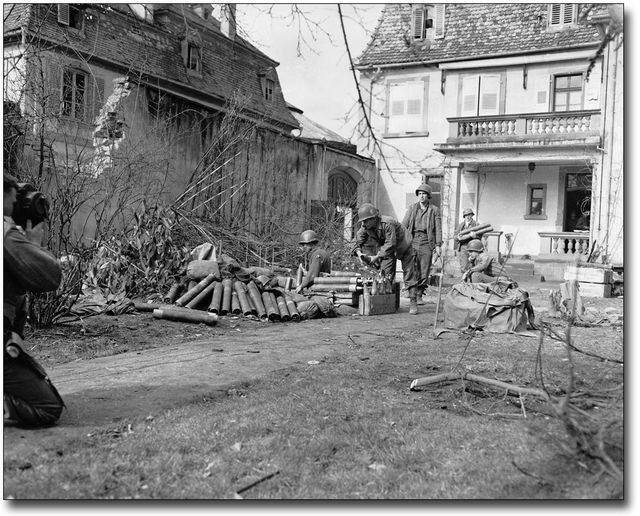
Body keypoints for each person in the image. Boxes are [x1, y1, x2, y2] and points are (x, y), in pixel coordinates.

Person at [4, 172, 64, 427]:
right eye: (13, 199)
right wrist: (33, 245)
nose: (15, 206)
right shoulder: (6, 234)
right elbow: (50, 276)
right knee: (47, 406)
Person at [353, 203, 422, 315]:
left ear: (374, 218)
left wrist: (376, 257)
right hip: (387, 249)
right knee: (385, 274)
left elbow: (391, 243)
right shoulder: (365, 226)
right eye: (363, 221)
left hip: (404, 246)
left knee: (409, 273)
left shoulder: (387, 223)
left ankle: (413, 301)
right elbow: (357, 240)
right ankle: (390, 303)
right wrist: (359, 254)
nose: (363, 223)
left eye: (366, 221)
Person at [402, 183, 442, 304]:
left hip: (426, 241)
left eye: (424, 194)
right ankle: (412, 293)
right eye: (419, 194)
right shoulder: (412, 208)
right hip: (413, 241)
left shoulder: (434, 210)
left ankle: (419, 294)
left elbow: (438, 228)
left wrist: (438, 244)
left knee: (424, 269)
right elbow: (404, 225)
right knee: (412, 268)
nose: (421, 196)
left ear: (428, 196)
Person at [295, 229, 331, 294]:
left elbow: (313, 273)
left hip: (320, 288)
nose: (304, 247)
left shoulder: (317, 254)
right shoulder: (319, 253)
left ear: (312, 244)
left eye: (305, 244)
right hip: (321, 285)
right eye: (303, 245)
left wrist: (301, 286)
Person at [454, 208, 480, 273]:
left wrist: (475, 236)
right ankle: (464, 282)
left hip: (473, 248)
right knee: (464, 266)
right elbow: (455, 236)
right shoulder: (461, 225)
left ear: (472, 215)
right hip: (463, 247)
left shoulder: (476, 225)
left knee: (473, 266)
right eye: (466, 215)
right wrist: (458, 237)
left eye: (469, 215)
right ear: (464, 217)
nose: (468, 217)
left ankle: (472, 281)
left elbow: (480, 237)